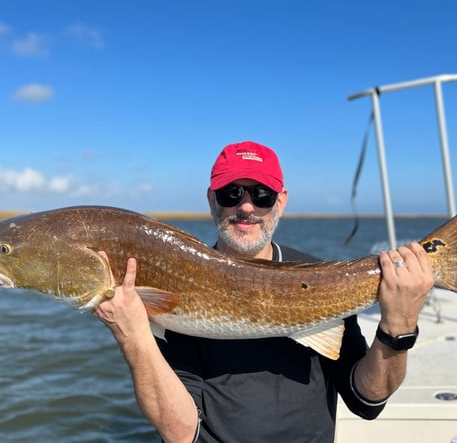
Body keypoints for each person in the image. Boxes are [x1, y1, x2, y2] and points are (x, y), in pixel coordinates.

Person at [94, 140, 434, 443]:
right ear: (212, 200)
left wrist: (399, 326)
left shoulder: (322, 279)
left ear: (281, 201)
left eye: (261, 195)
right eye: (231, 194)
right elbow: (181, 434)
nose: (246, 207)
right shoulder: (174, 286)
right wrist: (135, 337)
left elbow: (366, 400)